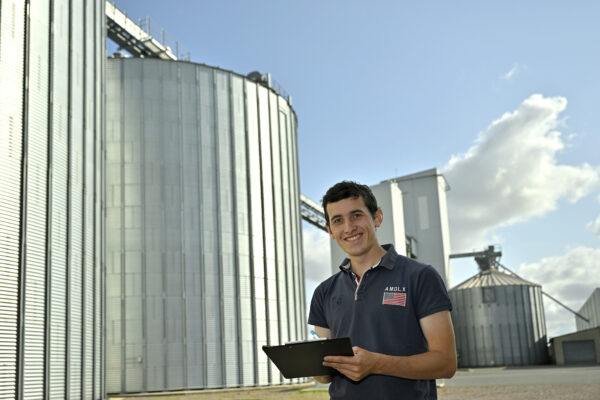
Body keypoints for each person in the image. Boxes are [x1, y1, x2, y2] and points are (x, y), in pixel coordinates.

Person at [308, 181, 456, 399]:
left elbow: (446, 362)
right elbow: (323, 375)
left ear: (377, 217)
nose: (349, 228)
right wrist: (309, 363)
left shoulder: (420, 276)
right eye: (338, 221)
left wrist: (376, 364)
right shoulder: (324, 292)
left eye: (356, 215)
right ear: (330, 231)